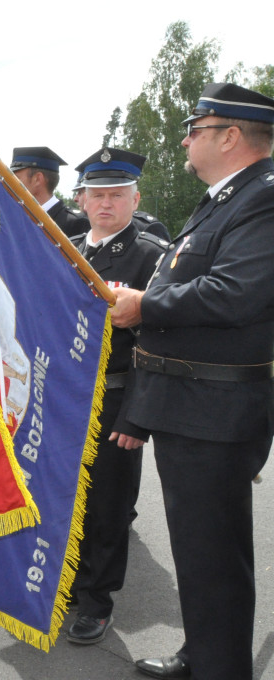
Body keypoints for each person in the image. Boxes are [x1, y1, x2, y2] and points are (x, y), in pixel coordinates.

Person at [110, 82, 274, 680]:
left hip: (216, 408)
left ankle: (221, 668)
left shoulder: (263, 198)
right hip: (192, 404)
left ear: (231, 136)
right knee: (199, 552)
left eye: (195, 129)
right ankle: (206, 654)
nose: (184, 140)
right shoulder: (227, 198)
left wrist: (143, 306)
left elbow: (237, 293)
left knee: (214, 553)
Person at [64, 148, 168, 645]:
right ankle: (66, 582)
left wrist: (136, 414)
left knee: (107, 504)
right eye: (97, 194)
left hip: (114, 396)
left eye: (117, 195)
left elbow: (156, 343)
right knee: (64, 495)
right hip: (62, 394)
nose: (106, 204)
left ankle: (96, 600)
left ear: (135, 198)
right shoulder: (63, 248)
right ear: (82, 199)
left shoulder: (151, 255)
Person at [9, 146, 89, 238]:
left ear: (37, 179)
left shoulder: (76, 224)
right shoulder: (15, 218)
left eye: (16, 178)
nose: (11, 183)